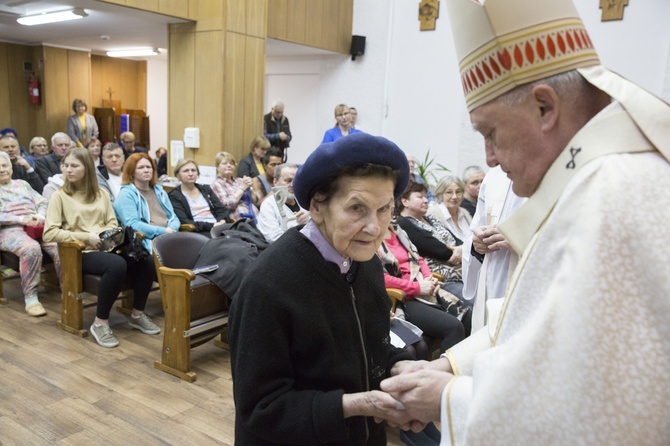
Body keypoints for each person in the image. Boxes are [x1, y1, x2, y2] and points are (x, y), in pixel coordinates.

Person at [380, 1, 670, 444]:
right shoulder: (592, 180)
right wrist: (449, 366)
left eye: (490, 133)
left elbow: (603, 415)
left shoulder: (616, 192)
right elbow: (536, 325)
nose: (490, 158)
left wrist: (449, 399)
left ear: (544, 108)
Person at [230, 132, 417, 445]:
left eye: (384, 209)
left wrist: (401, 366)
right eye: (357, 208)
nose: (374, 228)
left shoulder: (367, 262)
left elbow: (367, 343)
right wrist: (354, 405)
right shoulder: (267, 286)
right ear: (318, 206)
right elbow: (260, 409)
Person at [43, 148, 158, 348]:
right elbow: (50, 233)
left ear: (86, 169)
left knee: (146, 259)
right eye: (66, 165)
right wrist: (86, 237)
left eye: (74, 166)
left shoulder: (101, 194)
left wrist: (103, 234)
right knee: (116, 264)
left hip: (105, 247)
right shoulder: (59, 196)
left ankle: (137, 313)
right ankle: (100, 323)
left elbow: (112, 223)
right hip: (79, 253)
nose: (68, 170)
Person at [378, 222, 467, 353]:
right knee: (455, 327)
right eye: (383, 207)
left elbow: (417, 258)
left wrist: (429, 278)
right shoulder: (371, 239)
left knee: (467, 315)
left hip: (423, 287)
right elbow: (382, 278)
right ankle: (443, 372)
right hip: (404, 299)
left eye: (389, 205)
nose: (388, 209)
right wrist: (417, 287)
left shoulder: (396, 229)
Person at [461, 166, 525, 332]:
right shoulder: (493, 175)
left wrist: (522, 240)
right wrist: (476, 243)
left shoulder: (552, 168)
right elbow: (475, 228)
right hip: (489, 277)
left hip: (525, 278)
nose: (490, 158)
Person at [0, 151, 61, 317]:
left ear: (11, 167)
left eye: (4, 165)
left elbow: (42, 201)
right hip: (9, 230)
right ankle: (31, 297)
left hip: (36, 224)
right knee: (31, 249)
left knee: (61, 246)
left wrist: (39, 216)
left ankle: (69, 290)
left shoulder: (22, 184)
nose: (2, 169)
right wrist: (21, 219)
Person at [397, 181, 465, 302]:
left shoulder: (430, 218)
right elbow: (438, 250)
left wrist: (462, 249)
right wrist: (461, 251)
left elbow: (456, 239)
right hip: (442, 278)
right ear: (405, 201)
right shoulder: (403, 223)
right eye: (420, 197)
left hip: (462, 270)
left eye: (426, 196)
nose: (426, 200)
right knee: (476, 303)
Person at [113, 153, 180, 253]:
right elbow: (132, 224)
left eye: (149, 167)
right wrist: (163, 231)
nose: (146, 170)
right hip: (145, 242)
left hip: (169, 237)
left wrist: (171, 229)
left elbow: (173, 217)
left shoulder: (160, 191)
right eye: (141, 167)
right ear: (131, 172)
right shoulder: (126, 194)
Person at [168, 158, 229, 235]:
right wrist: (212, 225)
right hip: (199, 232)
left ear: (198, 173)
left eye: (193, 170)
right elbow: (184, 221)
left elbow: (222, 210)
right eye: (186, 171)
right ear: (178, 175)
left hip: (218, 227)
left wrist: (222, 221)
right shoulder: (174, 196)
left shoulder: (205, 189)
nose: (190, 174)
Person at [256, 163, 309, 243]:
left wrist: (308, 223)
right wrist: (301, 228)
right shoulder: (268, 205)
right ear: (275, 181)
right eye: (288, 180)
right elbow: (274, 238)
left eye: (295, 181)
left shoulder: (303, 201)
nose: (292, 185)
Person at [211, 151, 259, 220]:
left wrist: (249, 188)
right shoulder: (216, 184)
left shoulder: (240, 180)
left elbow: (256, 201)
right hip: (239, 221)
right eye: (224, 163)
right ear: (217, 167)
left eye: (231, 163)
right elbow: (227, 205)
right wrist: (242, 188)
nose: (229, 165)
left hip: (256, 216)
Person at [427, 175, 472, 242]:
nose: (454, 196)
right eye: (449, 192)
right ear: (440, 194)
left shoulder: (465, 213)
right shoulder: (432, 214)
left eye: (458, 192)